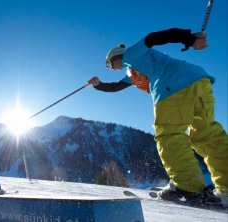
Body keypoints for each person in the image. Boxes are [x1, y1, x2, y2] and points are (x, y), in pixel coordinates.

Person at [88, 28, 228, 206]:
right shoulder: (134, 70)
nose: (111, 68)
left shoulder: (131, 55)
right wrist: (98, 85)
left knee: (169, 134)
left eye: (109, 64)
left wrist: (190, 39)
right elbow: (115, 87)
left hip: (173, 86)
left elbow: (154, 37)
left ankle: (188, 186)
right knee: (208, 136)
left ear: (116, 56)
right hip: (199, 80)